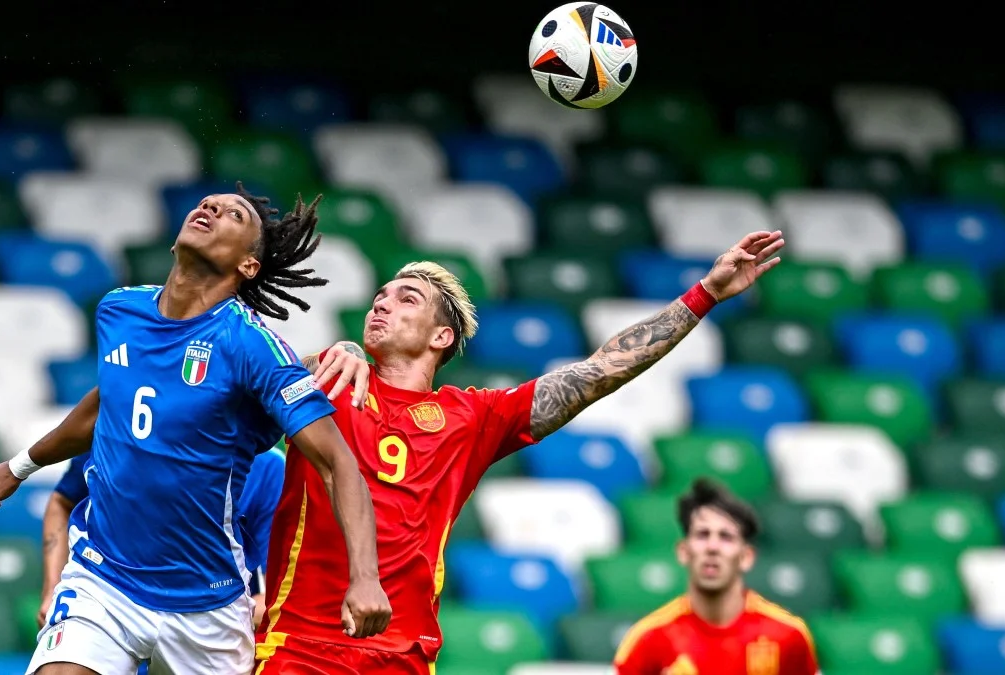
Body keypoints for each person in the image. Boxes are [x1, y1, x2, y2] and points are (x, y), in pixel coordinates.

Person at [254, 230, 787, 674]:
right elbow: (246, 380)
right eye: (381, 296)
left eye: (405, 298)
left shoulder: (472, 417)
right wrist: (333, 351)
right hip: (300, 646)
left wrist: (704, 295)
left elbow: (599, 371)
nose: (382, 302)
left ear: (442, 336)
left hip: (402, 655)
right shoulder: (325, 378)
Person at [0, 186, 391, 675]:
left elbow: (337, 463)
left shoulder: (251, 345)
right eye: (207, 203)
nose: (210, 208)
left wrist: (365, 577)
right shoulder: (118, 310)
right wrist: (19, 467)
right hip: (103, 578)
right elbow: (108, 401)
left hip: (205, 604)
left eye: (233, 214)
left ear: (248, 266)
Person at [37, 444, 287, 631]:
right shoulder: (116, 430)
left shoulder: (268, 469)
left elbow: (270, 603)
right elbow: (62, 501)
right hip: (112, 607)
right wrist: (51, 590)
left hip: (207, 632)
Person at [613, 478, 820, 675]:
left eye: (726, 537)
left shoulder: (788, 635)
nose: (712, 547)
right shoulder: (648, 639)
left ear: (746, 557)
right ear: (683, 551)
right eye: (703, 535)